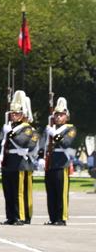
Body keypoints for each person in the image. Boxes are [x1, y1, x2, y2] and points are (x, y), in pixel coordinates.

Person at [0, 91, 38, 226]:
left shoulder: (26, 128)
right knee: (8, 192)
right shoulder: (8, 127)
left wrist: (9, 132)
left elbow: (22, 141)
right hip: (8, 162)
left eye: (16, 113)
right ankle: (10, 216)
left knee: (18, 192)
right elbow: (0, 141)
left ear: (22, 114)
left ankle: (20, 216)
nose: (14, 115)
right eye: (12, 113)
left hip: (20, 163)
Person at [43, 97, 77, 226]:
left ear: (66, 117)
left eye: (61, 115)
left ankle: (61, 218)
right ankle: (53, 217)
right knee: (51, 192)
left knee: (61, 192)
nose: (58, 117)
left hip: (62, 163)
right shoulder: (49, 128)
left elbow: (65, 143)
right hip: (50, 162)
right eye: (56, 115)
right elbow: (43, 144)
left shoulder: (70, 128)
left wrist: (54, 134)